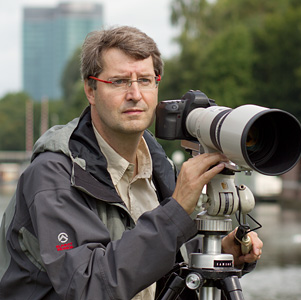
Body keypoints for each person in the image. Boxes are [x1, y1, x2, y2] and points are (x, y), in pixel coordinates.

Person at [0, 26, 263, 299]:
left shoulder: (159, 166)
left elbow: (160, 255)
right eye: (120, 81)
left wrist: (220, 251)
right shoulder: (55, 175)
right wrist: (176, 211)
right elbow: (88, 285)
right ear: (91, 90)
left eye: (145, 80)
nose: (135, 94)